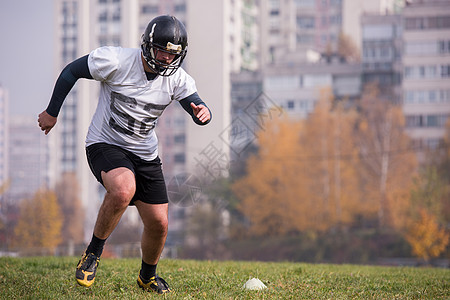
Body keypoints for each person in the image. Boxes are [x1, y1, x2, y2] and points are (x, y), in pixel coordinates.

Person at [38, 15, 211, 294]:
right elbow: (71, 71)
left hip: (145, 152)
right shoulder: (116, 61)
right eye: (162, 51)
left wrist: (202, 112)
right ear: (147, 46)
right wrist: (51, 112)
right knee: (122, 190)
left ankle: (147, 277)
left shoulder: (177, 78)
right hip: (106, 143)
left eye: (173, 54)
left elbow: (195, 102)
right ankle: (93, 254)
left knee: (159, 222)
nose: (167, 59)